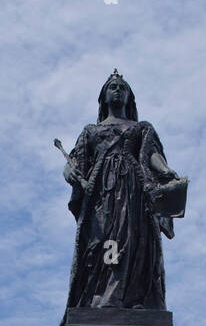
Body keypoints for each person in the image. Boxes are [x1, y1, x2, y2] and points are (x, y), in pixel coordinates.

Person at [62, 71, 185, 312]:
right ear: (104, 97)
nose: (117, 90)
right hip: (101, 194)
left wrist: (166, 171)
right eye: (113, 87)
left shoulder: (141, 128)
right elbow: (76, 162)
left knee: (133, 239)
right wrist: (69, 171)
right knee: (101, 241)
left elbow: (151, 156)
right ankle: (100, 298)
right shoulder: (90, 132)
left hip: (133, 190)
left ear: (129, 97)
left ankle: (132, 298)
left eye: (122, 88)